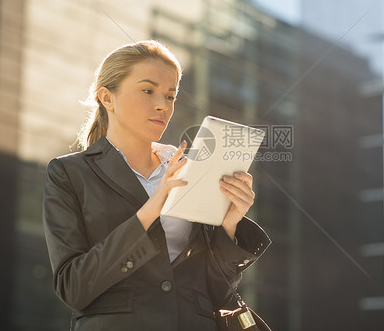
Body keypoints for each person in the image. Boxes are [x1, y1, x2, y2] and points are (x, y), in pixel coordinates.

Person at [42, 40, 270, 331]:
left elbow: (214, 293)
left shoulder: (188, 170)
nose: (162, 105)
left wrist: (228, 224)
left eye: (170, 95)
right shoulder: (69, 173)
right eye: (147, 90)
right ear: (107, 98)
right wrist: (151, 210)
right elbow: (73, 287)